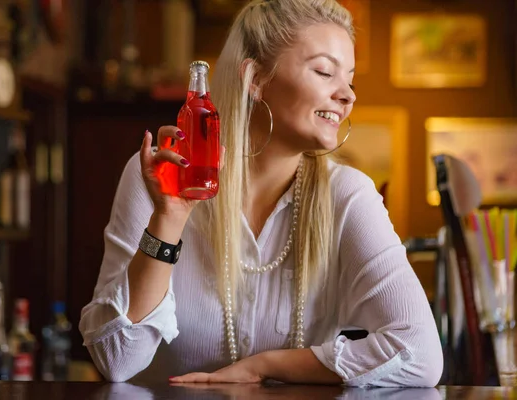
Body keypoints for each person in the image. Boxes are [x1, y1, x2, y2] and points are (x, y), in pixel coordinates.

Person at [79, 0, 443, 387]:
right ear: (254, 78)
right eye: (324, 71)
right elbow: (117, 360)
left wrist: (265, 365)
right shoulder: (158, 177)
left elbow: (418, 354)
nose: (347, 95)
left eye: (350, 80)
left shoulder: (349, 195)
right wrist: (168, 218)